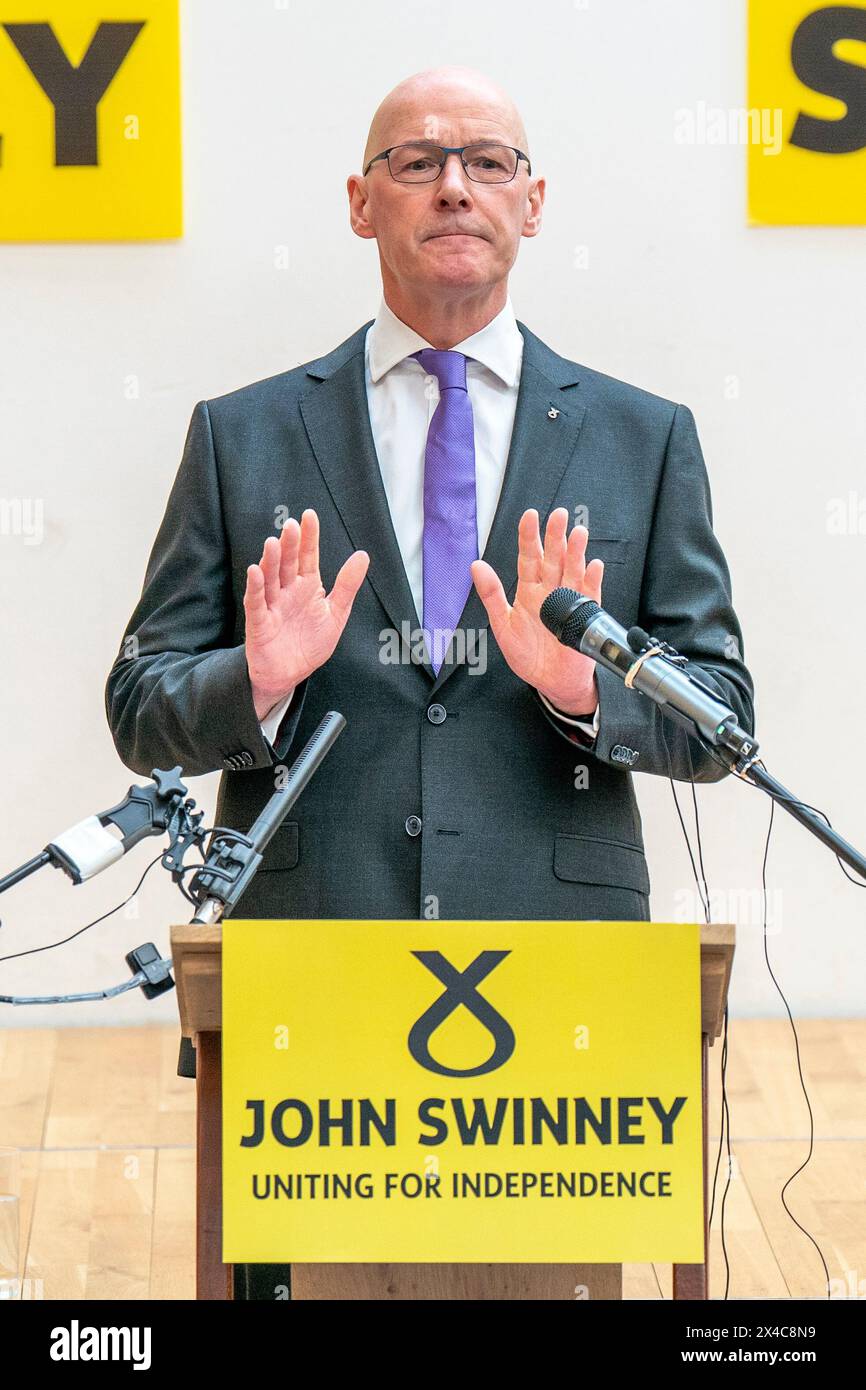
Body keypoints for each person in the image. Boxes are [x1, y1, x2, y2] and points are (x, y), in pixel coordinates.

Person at [105, 66, 754, 1300]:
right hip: (310, 982)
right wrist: (259, 679)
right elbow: (140, 705)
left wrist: (586, 690)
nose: (454, 184)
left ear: (534, 201)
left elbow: (723, 718)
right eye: (415, 161)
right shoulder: (240, 434)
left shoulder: (641, 434)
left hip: (560, 1004)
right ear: (360, 202)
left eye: (487, 160)